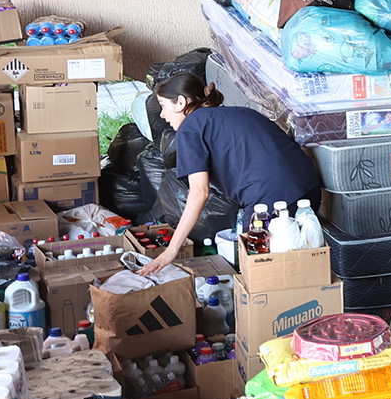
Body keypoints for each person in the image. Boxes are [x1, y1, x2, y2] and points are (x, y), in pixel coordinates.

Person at [138, 74, 322, 276]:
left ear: (181, 102)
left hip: (272, 201)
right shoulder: (234, 113)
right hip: (309, 188)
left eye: (163, 106)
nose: (163, 115)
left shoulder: (190, 128)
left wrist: (171, 250)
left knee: (261, 276)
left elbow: (200, 192)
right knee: (304, 265)